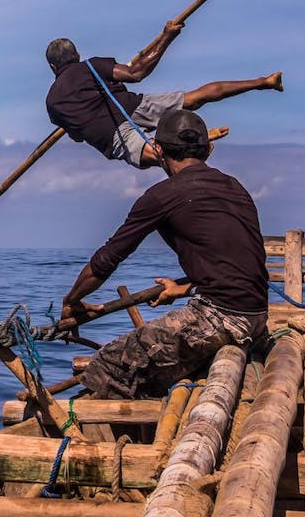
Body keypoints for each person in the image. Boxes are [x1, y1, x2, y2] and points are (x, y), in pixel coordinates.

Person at [61, 110, 268, 399]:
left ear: (158, 150)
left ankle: (127, 433)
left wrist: (72, 300)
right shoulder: (236, 188)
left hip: (221, 317)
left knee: (107, 364)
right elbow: (239, 267)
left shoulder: (161, 196)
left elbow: (108, 258)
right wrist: (184, 288)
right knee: (149, 359)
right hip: (257, 313)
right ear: (209, 148)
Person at [45, 21, 283, 169]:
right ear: (76, 56)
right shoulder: (90, 66)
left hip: (110, 134)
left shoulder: (53, 102)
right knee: (194, 98)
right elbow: (136, 73)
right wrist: (167, 36)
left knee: (157, 157)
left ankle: (192, 143)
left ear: (53, 67)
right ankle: (263, 82)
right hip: (133, 106)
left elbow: (77, 136)